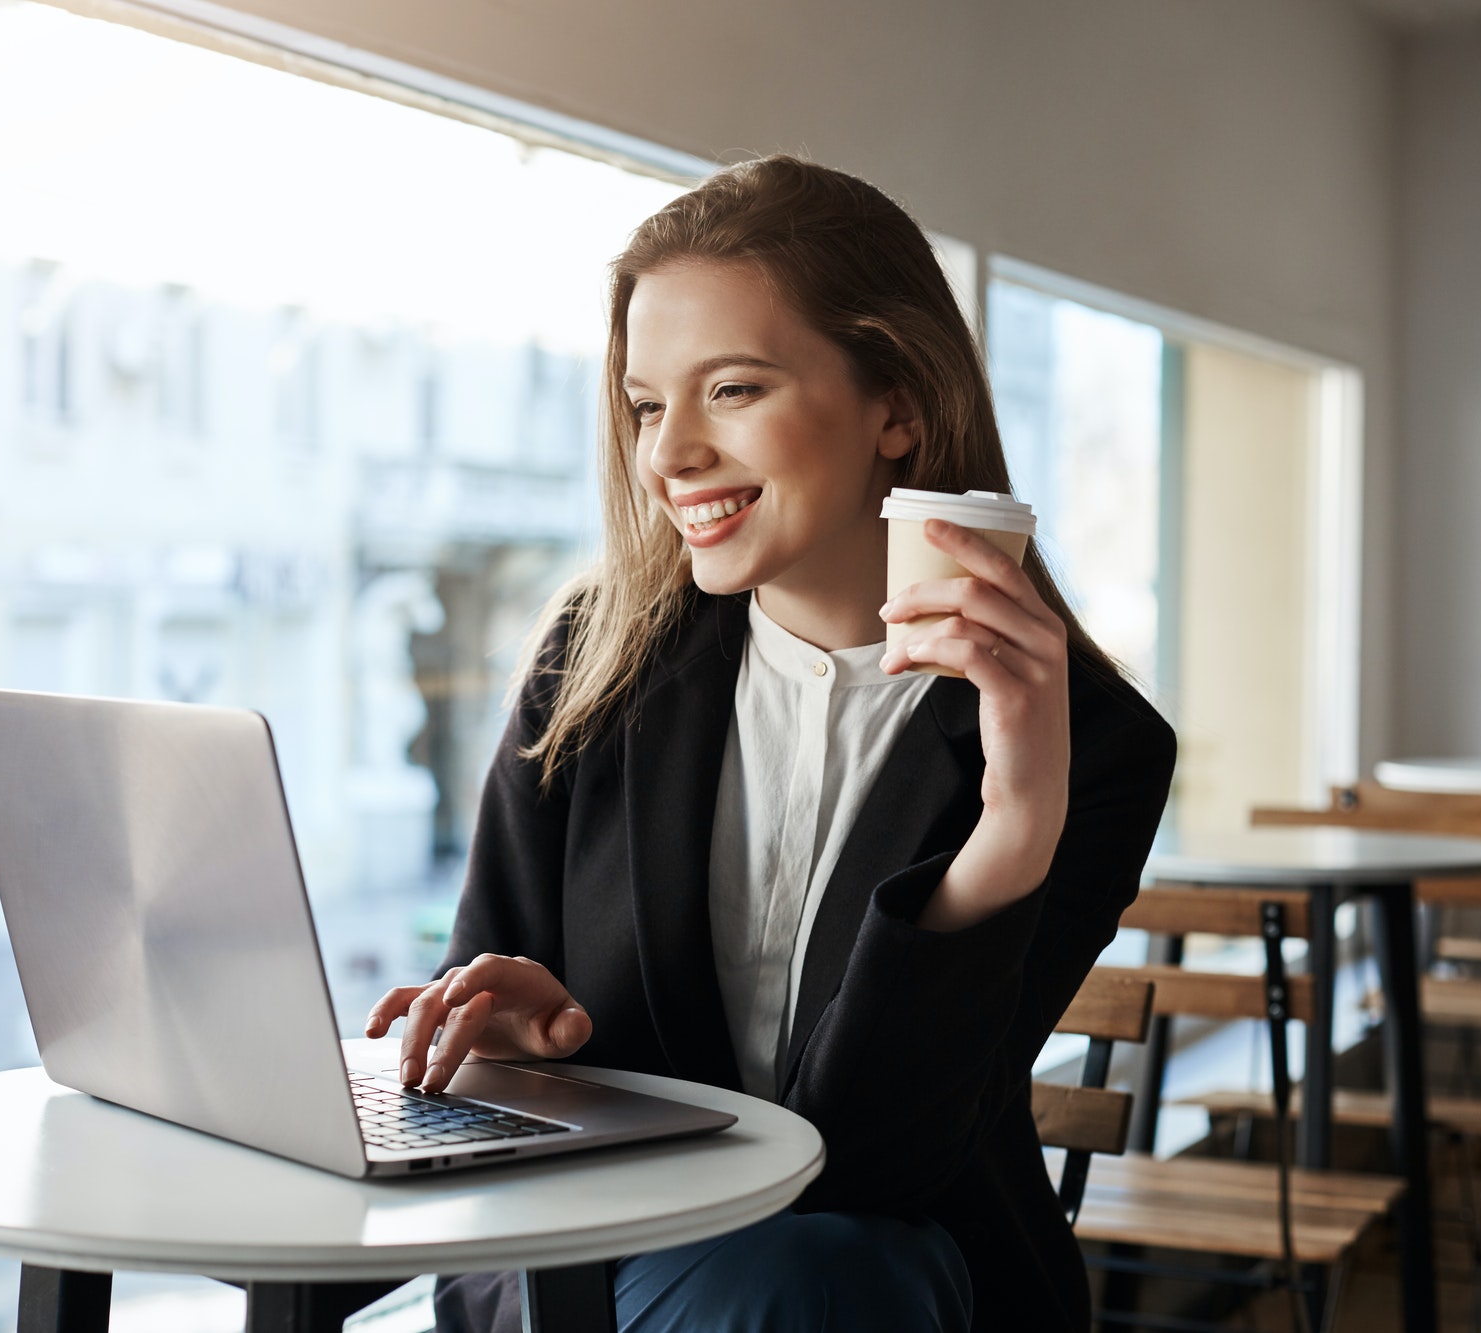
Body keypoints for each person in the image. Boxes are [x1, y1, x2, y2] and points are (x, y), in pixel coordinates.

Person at [364, 155, 1176, 1333]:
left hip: (883, 1278)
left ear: (896, 404)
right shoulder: (590, 664)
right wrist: (517, 1038)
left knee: (809, 1278)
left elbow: (880, 1160)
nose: (667, 455)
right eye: (647, 404)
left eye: (731, 390)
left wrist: (1007, 837)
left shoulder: (1090, 747)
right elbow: (471, 1045)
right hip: (583, 1253)